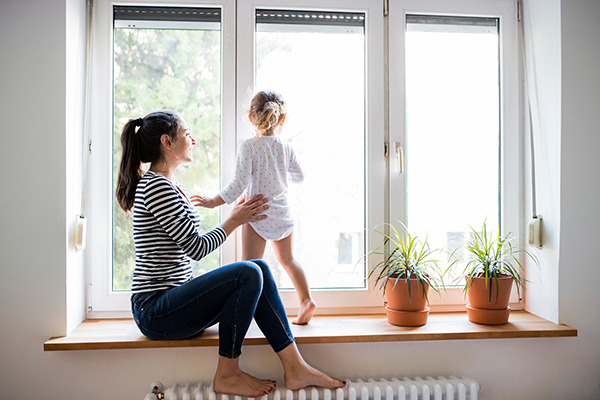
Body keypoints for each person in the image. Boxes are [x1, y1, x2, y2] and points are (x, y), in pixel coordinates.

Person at [116, 110, 345, 397]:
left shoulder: (172, 186)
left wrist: (234, 216)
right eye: (187, 134)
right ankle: (227, 373)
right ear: (167, 142)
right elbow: (196, 248)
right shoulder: (156, 187)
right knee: (248, 272)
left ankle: (295, 366)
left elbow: (188, 242)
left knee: (258, 267)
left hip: (172, 301)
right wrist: (234, 220)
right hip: (155, 310)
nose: (193, 140)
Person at [195, 91, 316, 325]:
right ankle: (306, 301)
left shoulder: (249, 147)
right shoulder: (285, 147)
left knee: (248, 268)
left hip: (256, 213)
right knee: (289, 260)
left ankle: (246, 313)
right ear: (282, 119)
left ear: (250, 118)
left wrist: (212, 201)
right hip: (282, 213)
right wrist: (279, 172)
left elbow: (237, 185)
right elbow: (299, 176)